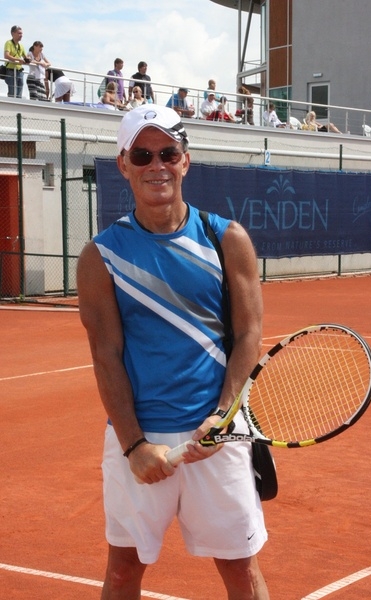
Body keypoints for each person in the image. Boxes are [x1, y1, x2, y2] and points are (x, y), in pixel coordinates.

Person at [77, 104, 269, 600]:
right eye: (142, 155)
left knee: (241, 572)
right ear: (123, 164)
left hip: (217, 435)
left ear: (186, 160)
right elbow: (105, 355)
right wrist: (134, 447)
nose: (156, 165)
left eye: (167, 152)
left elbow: (249, 334)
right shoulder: (100, 256)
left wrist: (223, 415)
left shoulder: (227, 238)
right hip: (139, 439)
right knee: (123, 573)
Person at [3, 25, 30, 98]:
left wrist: (28, 59)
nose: (21, 35)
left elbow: (25, 57)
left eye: (21, 33)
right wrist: (18, 60)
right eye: (19, 33)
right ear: (13, 33)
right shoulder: (8, 43)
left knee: (19, 94)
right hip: (10, 71)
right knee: (12, 93)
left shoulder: (21, 46)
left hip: (20, 71)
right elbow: (6, 56)